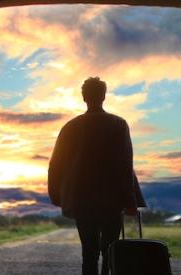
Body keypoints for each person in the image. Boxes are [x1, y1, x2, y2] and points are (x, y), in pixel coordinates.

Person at [48, 77, 146, 275]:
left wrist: (58, 197)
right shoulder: (118, 124)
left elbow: (55, 165)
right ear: (104, 96)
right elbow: (125, 165)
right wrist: (130, 200)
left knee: (89, 253)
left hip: (81, 201)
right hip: (112, 201)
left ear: (84, 97)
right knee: (111, 253)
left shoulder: (70, 127)